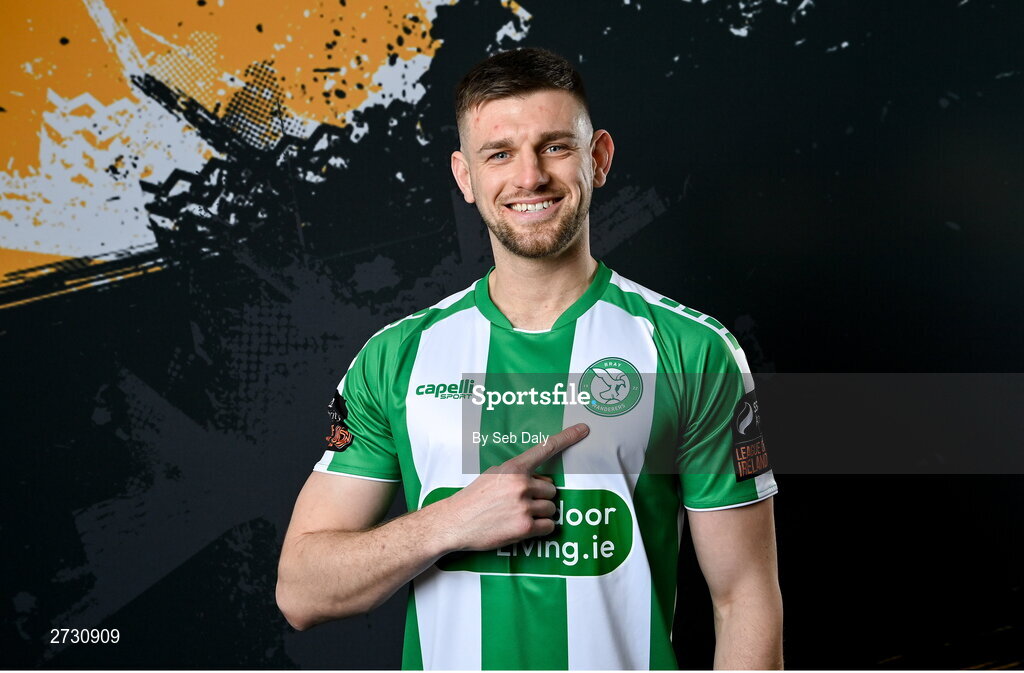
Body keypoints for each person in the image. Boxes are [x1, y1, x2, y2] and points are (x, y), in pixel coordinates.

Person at [276, 47, 782, 670]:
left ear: (598, 158)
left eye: (555, 147)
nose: (530, 177)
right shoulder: (397, 357)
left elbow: (743, 597)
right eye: (499, 154)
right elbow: (301, 592)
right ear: (465, 177)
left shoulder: (690, 350)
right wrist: (452, 522)